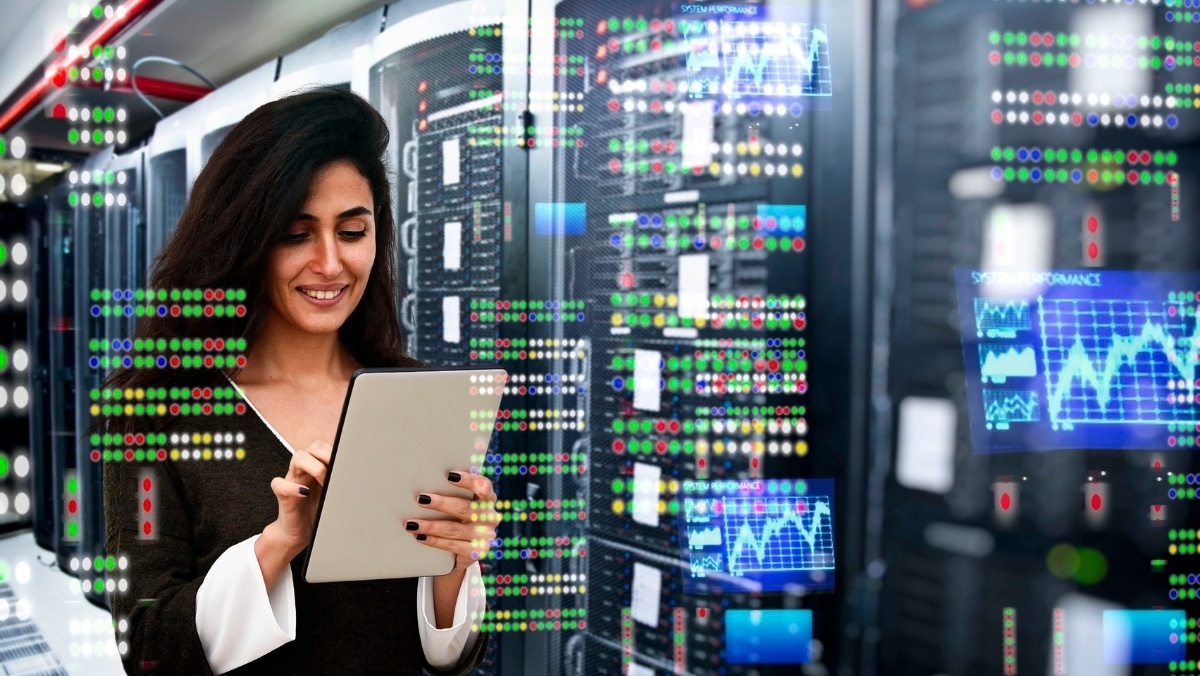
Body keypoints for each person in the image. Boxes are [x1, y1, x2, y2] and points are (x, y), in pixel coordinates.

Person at [99, 87, 498, 674]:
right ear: (247, 241)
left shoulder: (412, 396)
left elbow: (448, 658)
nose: (331, 263)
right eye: (296, 233)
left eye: (352, 231)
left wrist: (457, 559)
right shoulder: (154, 410)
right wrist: (278, 544)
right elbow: (148, 645)